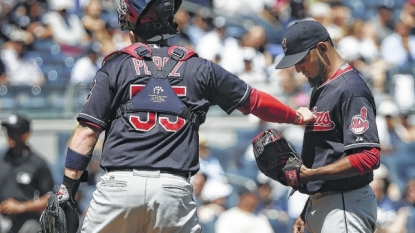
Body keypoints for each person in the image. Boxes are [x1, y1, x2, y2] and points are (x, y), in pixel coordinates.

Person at [45, 1, 316, 233]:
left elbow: (87, 132)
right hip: (172, 190)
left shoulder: (115, 66)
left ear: (129, 21)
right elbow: (255, 101)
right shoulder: (200, 68)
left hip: (119, 187)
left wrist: (67, 190)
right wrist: (295, 116)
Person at [275, 20, 381, 233]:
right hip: (327, 204)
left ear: (322, 48)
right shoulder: (321, 87)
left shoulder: (350, 90)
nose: (297, 69)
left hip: (345, 206)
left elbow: (369, 157)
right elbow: (328, 155)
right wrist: (308, 209)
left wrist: (310, 175)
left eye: (302, 60)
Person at [0, 114, 55, 233]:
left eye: (14, 131)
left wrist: (21, 207)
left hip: (27, 220)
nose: (10, 135)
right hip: (1, 219)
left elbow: (49, 199)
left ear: (26, 134)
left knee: (31, 225)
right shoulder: (0, 161)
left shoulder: (38, 164)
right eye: (8, 131)